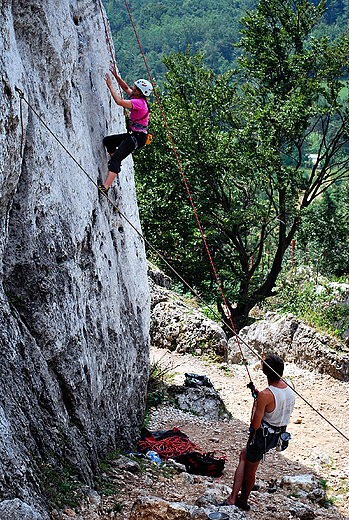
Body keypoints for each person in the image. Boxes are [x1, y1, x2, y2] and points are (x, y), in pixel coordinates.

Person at [221, 353, 295, 511]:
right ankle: (238, 497)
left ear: (265, 373)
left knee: (249, 466)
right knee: (244, 455)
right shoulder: (291, 385)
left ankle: (237, 500)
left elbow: (255, 425)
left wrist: (256, 402)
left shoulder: (265, 395)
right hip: (279, 435)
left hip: (263, 437)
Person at [98, 65, 153, 195]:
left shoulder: (139, 103)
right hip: (135, 135)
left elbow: (119, 101)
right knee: (108, 141)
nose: (132, 88)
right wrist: (117, 77)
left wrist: (110, 85)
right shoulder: (138, 98)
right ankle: (114, 164)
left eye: (135, 88)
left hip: (137, 137)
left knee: (117, 158)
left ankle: (105, 187)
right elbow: (126, 88)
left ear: (139, 92)